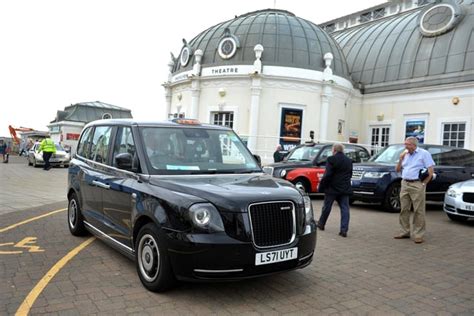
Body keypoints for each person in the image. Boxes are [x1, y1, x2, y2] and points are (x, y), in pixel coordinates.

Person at [394, 136, 435, 244]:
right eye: (405, 144)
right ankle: (405, 231)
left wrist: (423, 184)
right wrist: (401, 158)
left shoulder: (424, 154)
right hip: (405, 183)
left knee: (418, 210)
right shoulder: (405, 154)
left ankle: (418, 234)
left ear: (413, 145)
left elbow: (431, 171)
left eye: (407, 144)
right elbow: (397, 170)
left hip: (417, 184)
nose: (405, 146)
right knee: (404, 209)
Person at [317, 143, 353, 237]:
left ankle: (321, 224)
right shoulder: (349, 161)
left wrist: (321, 187)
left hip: (332, 188)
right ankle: (344, 230)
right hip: (345, 188)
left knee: (327, 207)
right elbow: (350, 174)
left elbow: (327, 175)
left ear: (334, 150)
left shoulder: (331, 159)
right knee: (345, 209)